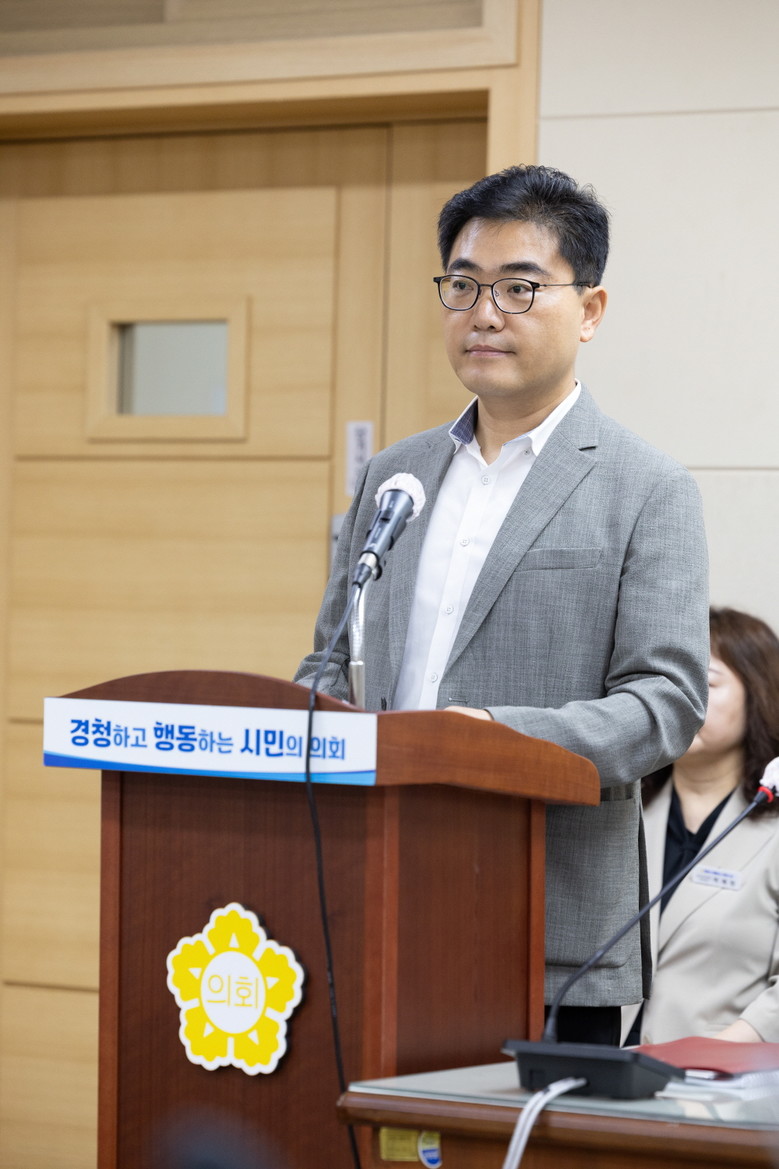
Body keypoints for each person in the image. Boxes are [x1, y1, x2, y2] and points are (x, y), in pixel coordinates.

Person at [295, 164, 709, 1044]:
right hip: (367, 895)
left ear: (589, 309)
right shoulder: (394, 474)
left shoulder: (645, 487)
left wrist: (492, 734)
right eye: (462, 284)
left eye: (519, 288)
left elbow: (665, 705)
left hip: (541, 924)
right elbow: (329, 659)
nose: (483, 313)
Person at [624, 607, 779, 1046]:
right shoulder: (619, 813)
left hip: (724, 1073)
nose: (681, 701)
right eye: (667, 683)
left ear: (759, 694)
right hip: (604, 1067)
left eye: (704, 683)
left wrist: (715, 1053)